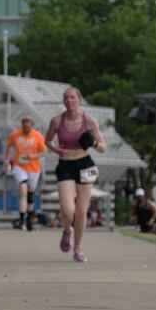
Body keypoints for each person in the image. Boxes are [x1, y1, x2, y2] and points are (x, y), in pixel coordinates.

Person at [45, 87, 104, 262]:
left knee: (81, 210)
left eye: (72, 97)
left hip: (85, 164)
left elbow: (102, 148)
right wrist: (57, 150)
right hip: (65, 165)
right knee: (67, 210)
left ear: (79, 100)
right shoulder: (56, 121)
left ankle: (78, 248)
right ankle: (67, 230)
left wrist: (93, 142)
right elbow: (46, 141)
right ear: (63, 102)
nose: (69, 100)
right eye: (66, 98)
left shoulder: (89, 121)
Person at [6, 114, 47, 231]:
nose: (26, 129)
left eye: (28, 127)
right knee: (23, 190)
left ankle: (29, 218)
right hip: (19, 166)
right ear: (22, 126)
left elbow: (44, 152)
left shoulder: (38, 136)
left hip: (34, 168)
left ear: (32, 126)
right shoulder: (16, 134)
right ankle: (22, 218)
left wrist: (33, 155)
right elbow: (9, 147)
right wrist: (7, 160)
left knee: (30, 195)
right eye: (24, 127)